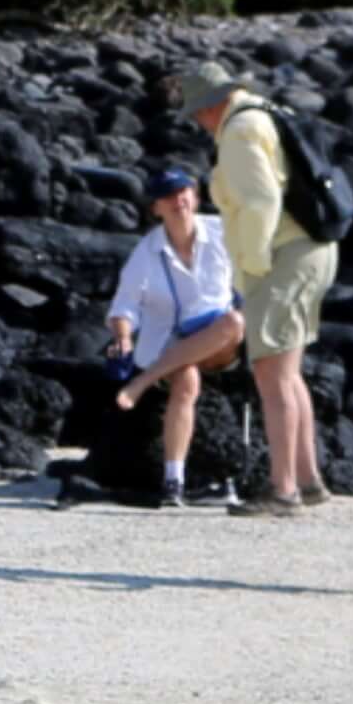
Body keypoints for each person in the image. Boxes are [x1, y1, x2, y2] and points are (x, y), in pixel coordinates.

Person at [175, 62, 338, 508]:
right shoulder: (263, 113)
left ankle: (282, 488)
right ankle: (307, 479)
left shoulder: (239, 130)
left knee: (271, 372)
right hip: (311, 250)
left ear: (211, 106)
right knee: (288, 371)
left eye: (195, 113)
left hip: (283, 256)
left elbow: (261, 200)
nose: (195, 122)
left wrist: (250, 265)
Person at [103, 164, 248, 509]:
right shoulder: (146, 252)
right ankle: (174, 482)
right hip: (169, 341)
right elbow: (123, 307)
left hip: (220, 338)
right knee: (185, 380)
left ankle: (141, 383)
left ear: (195, 197)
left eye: (183, 192)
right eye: (168, 196)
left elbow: (254, 278)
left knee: (232, 322)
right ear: (155, 208)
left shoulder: (223, 233)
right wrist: (123, 338)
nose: (178, 200)